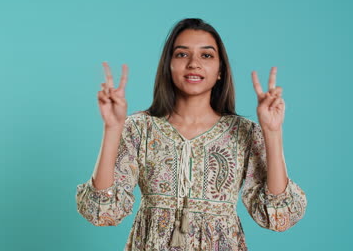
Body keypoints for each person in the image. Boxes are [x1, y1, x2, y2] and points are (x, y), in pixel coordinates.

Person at [75, 18, 307, 250]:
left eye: (206, 55)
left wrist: (272, 132)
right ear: (168, 66)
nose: (194, 63)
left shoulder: (244, 133)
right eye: (182, 54)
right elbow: (102, 212)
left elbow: (279, 216)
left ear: (220, 71)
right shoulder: (140, 128)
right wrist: (112, 128)